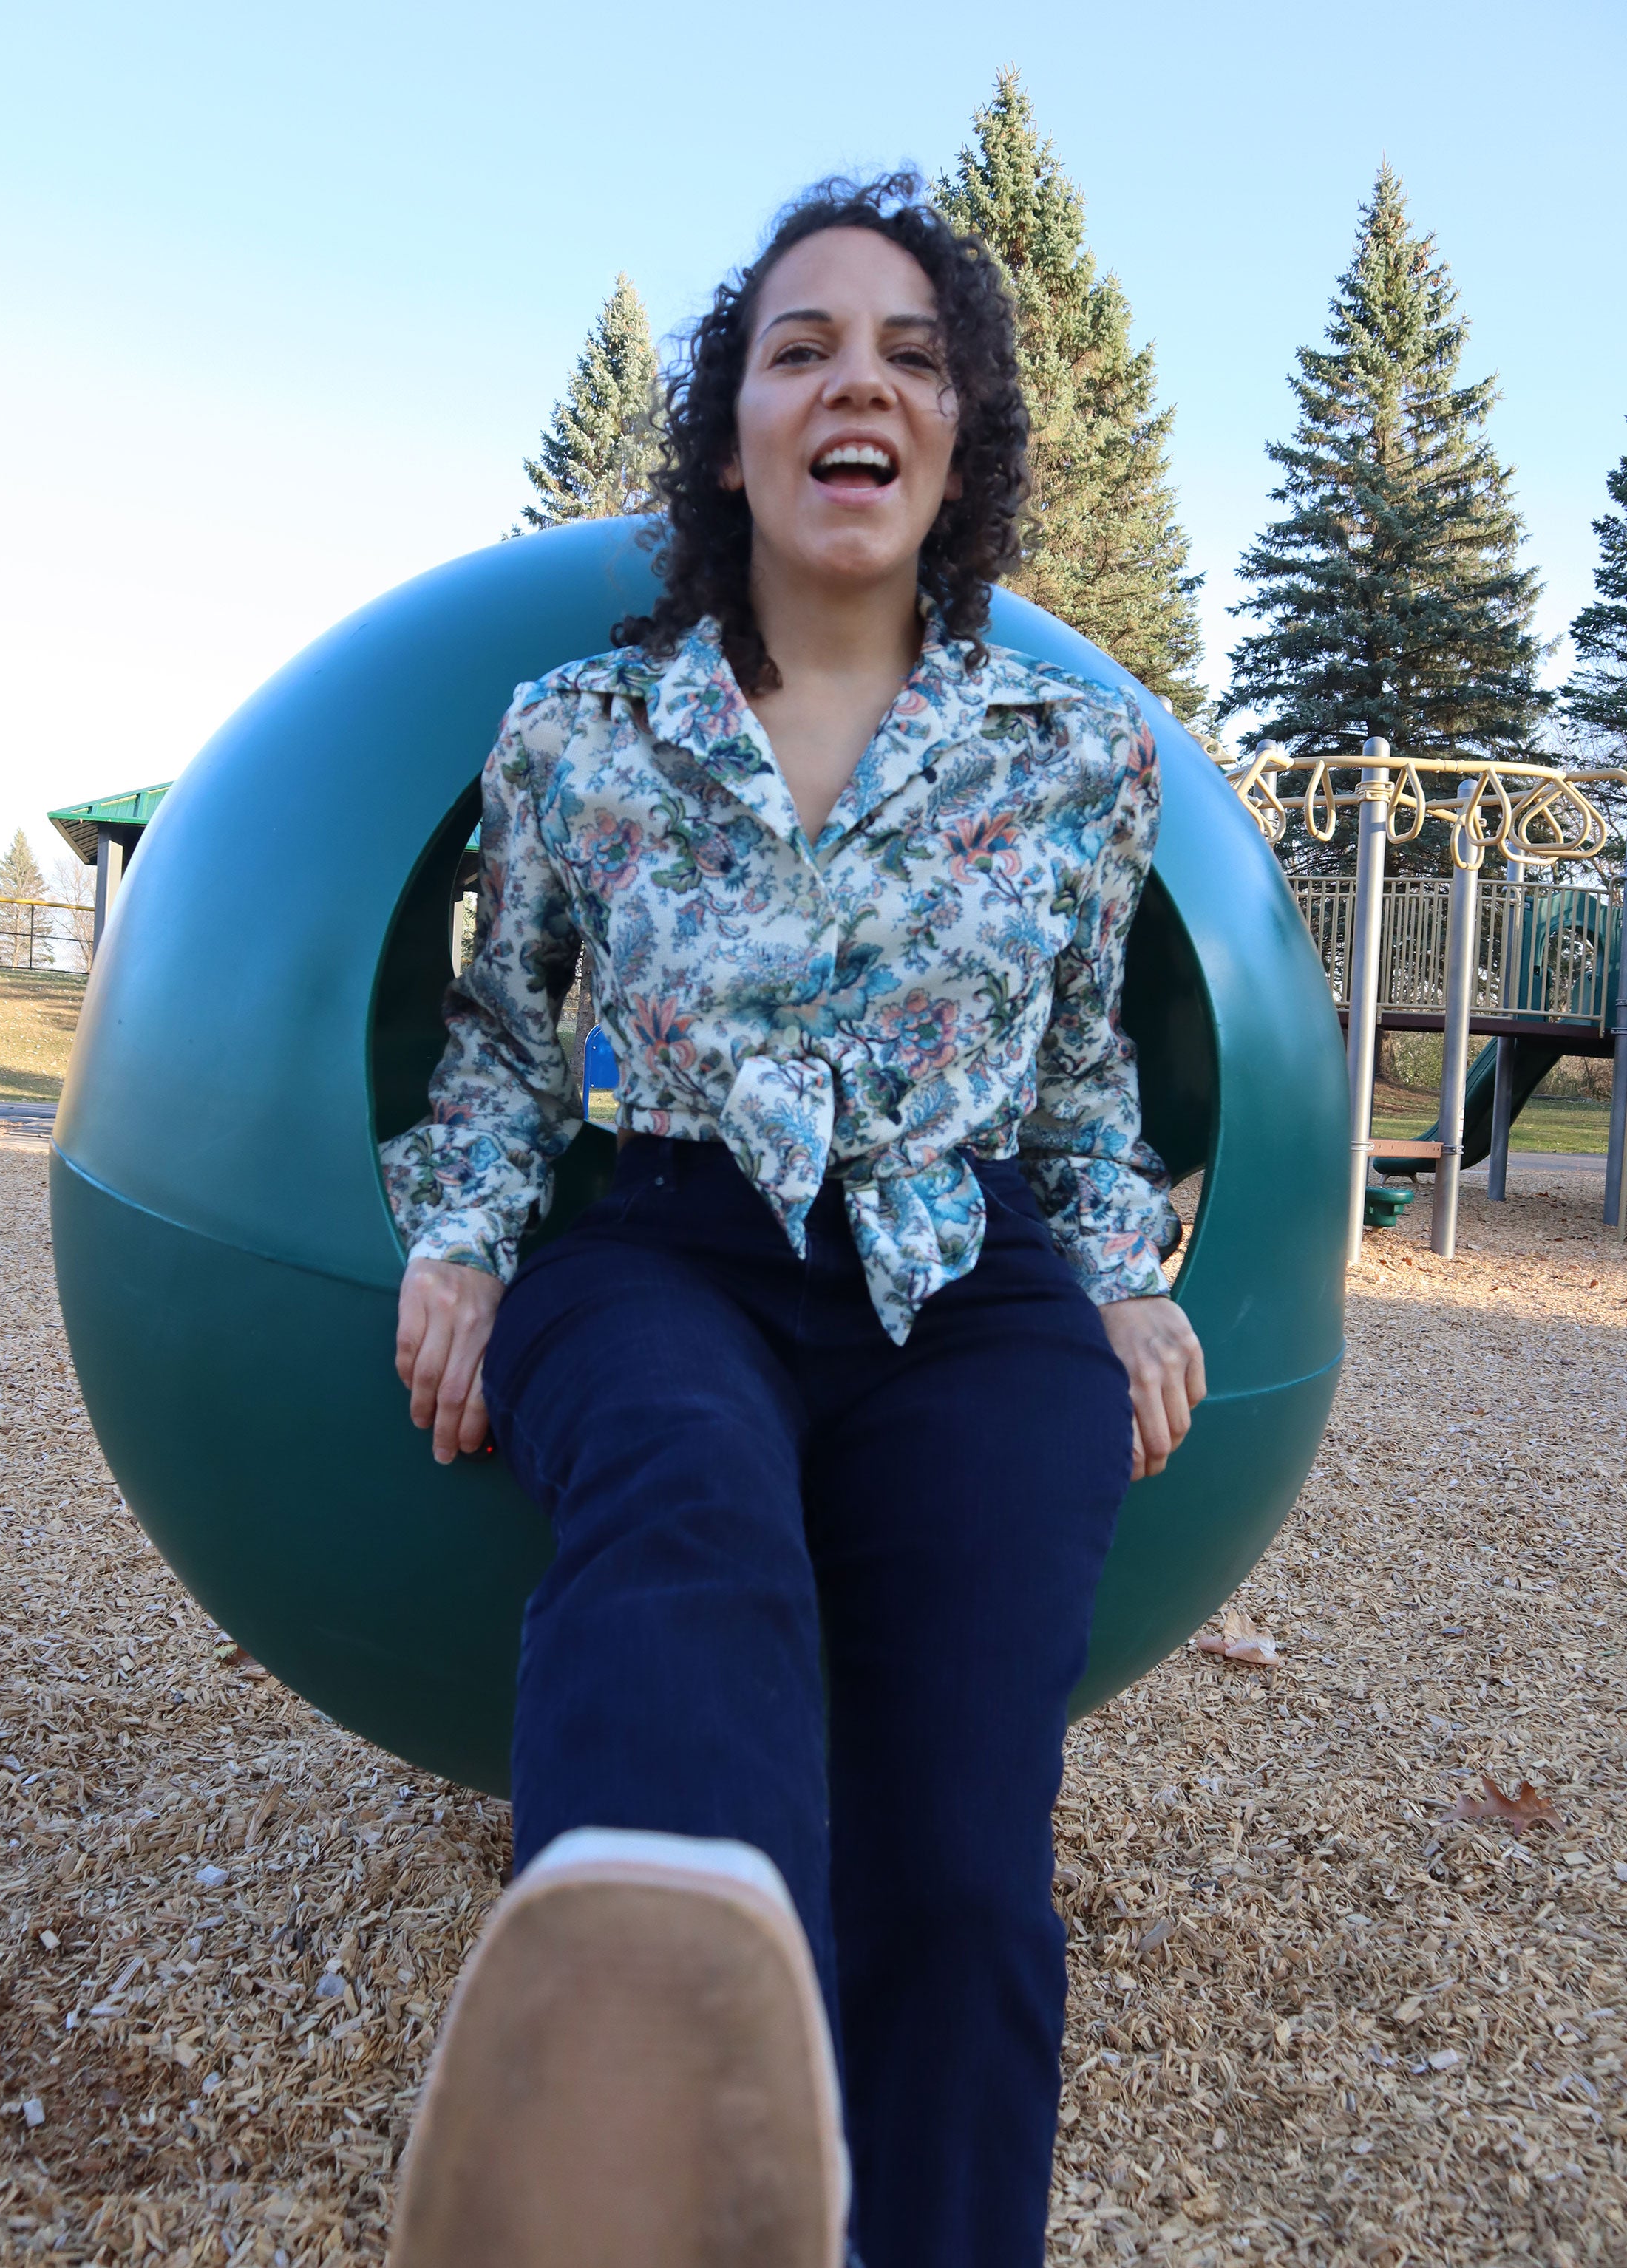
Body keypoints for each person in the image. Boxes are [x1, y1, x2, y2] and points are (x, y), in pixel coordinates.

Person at [378, 174, 1206, 2268]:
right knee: (682, 1514)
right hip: (671, 1244)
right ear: (732, 430)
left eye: (913, 357)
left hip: (970, 1278)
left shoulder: (1077, 756)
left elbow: (1084, 1070)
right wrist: (463, 1238)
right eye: (803, 349)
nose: (861, 385)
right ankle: (659, 2128)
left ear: (958, 438)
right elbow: (501, 1040)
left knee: (961, 1865)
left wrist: (1119, 1275)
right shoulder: (582, 735)